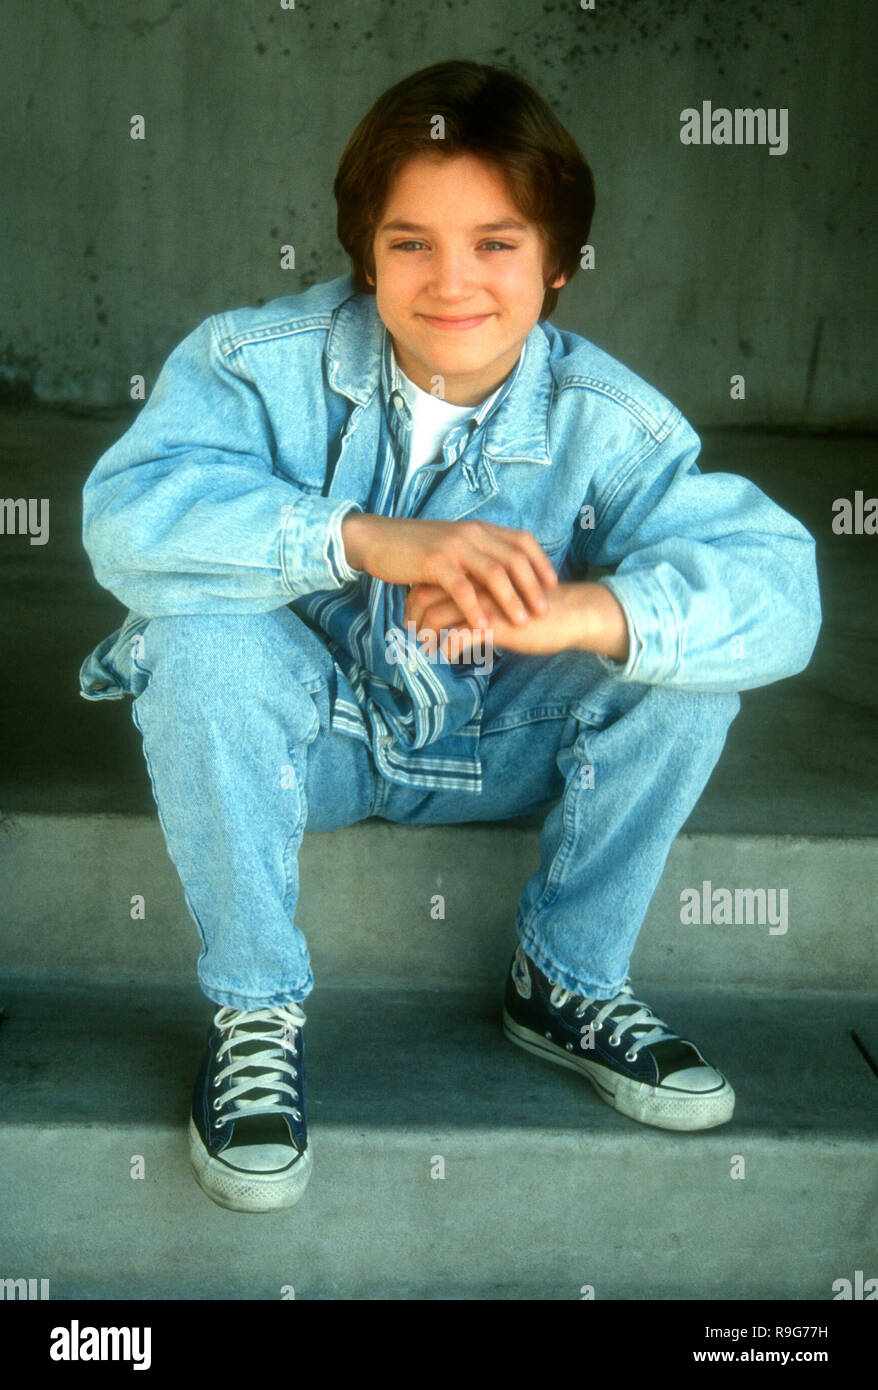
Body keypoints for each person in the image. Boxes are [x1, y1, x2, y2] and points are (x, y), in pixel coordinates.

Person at [79, 60, 822, 1213]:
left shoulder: (609, 421)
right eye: (410, 242)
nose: (450, 281)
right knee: (195, 638)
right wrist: (365, 539)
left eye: (495, 243)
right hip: (309, 744)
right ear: (365, 254)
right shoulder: (252, 363)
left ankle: (564, 981)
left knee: (684, 664)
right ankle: (256, 1011)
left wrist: (584, 612)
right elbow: (125, 521)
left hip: (503, 743)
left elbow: (778, 588)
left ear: (558, 265)